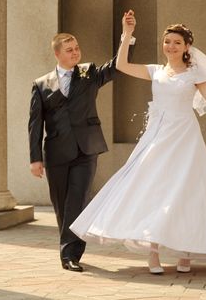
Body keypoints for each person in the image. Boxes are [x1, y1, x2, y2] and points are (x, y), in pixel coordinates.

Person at [70, 11, 206, 274]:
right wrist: (127, 34)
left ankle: (186, 252)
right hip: (157, 137)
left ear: (187, 47)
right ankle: (153, 252)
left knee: (186, 191)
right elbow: (121, 65)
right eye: (167, 42)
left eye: (176, 42)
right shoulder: (156, 71)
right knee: (153, 188)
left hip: (185, 137)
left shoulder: (195, 74)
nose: (170, 46)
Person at [28, 27, 135, 272]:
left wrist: (127, 35)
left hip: (86, 151)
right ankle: (68, 247)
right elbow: (35, 125)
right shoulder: (41, 84)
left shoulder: (90, 73)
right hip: (55, 153)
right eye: (69, 50)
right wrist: (35, 159)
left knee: (77, 200)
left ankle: (70, 255)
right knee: (61, 204)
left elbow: (117, 67)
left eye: (77, 48)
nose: (75, 53)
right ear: (58, 54)